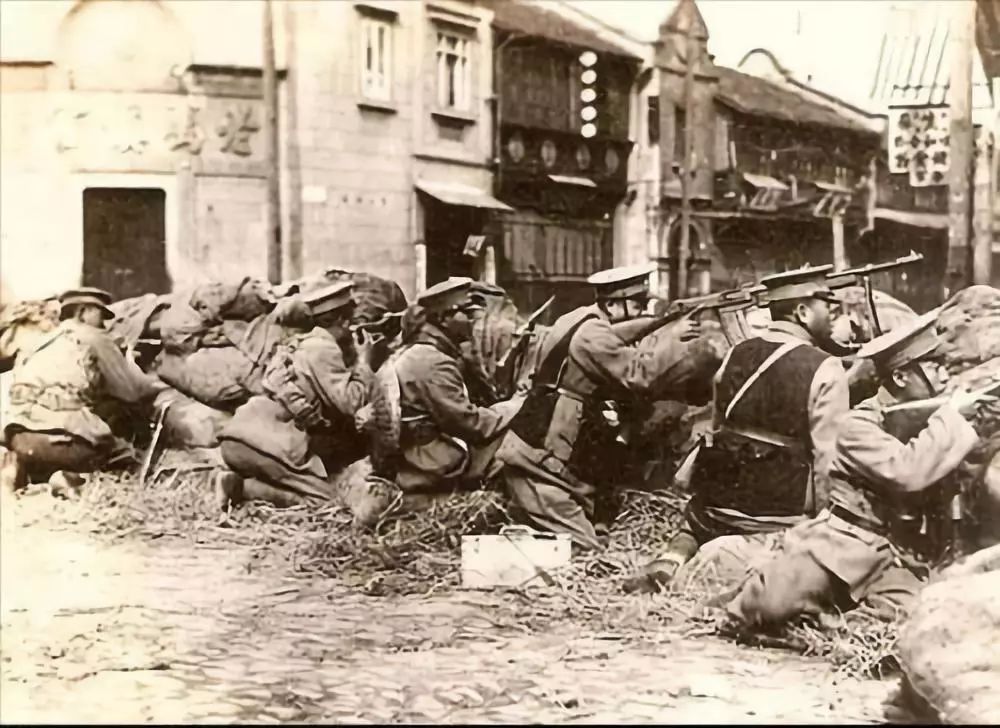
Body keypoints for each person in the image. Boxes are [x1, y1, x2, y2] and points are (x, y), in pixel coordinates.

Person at [725, 312, 987, 627]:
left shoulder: (927, 421)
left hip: (891, 554)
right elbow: (906, 470)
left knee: (922, 616)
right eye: (934, 368)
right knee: (765, 607)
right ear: (900, 377)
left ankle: (833, 620)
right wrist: (953, 417)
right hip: (841, 545)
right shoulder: (856, 425)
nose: (944, 377)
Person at [625, 265, 851, 592]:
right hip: (778, 509)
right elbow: (829, 463)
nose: (833, 312)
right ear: (802, 312)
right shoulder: (826, 368)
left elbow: (719, 426)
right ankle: (730, 561)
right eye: (826, 304)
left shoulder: (736, 352)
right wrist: (826, 525)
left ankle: (673, 558)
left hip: (718, 498)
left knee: (696, 525)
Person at [497, 263, 702, 552]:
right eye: (638, 304)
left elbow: (618, 335)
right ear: (612, 305)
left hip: (539, 452)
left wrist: (659, 323)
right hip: (539, 463)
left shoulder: (577, 317)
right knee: (586, 550)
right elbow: (638, 375)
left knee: (588, 529)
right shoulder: (593, 334)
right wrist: (676, 340)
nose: (643, 311)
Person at [217, 282, 376, 508]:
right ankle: (244, 488)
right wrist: (365, 362)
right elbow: (350, 403)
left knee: (296, 478)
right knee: (329, 502)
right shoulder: (324, 348)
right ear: (343, 321)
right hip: (263, 445)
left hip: (240, 436)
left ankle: (238, 481)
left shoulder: (299, 343)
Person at [1, 287, 164, 495]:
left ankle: (36, 480)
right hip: (63, 443)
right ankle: (71, 481)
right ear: (84, 311)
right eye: (101, 316)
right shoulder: (93, 336)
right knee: (130, 460)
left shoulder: (42, 342)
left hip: (19, 438)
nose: (104, 325)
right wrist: (146, 372)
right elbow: (133, 393)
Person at [387, 278, 523, 496]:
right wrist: (516, 406)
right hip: (431, 462)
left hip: (418, 454)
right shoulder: (431, 361)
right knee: (517, 437)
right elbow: (472, 424)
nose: (473, 320)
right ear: (443, 318)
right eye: (466, 313)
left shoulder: (420, 352)